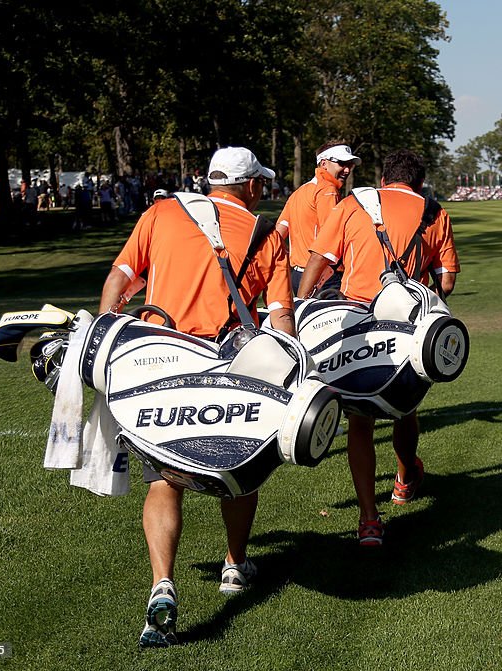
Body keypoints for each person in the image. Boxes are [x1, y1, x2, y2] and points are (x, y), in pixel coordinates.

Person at [98, 146, 293, 648]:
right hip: (225, 362)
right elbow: (280, 316)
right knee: (239, 469)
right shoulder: (268, 234)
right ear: (250, 186)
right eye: (260, 184)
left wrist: (108, 335)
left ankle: (162, 582)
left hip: (155, 359)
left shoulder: (162, 212)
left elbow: (120, 278)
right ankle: (234, 563)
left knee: (165, 478)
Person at [296, 149, 459, 546]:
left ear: (385, 179)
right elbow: (448, 281)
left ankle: (369, 519)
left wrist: (301, 305)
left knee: (360, 419)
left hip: (353, 320)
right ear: (419, 182)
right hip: (406, 324)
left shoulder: (353, 203)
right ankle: (404, 479)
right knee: (406, 407)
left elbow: (320, 260)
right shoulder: (434, 212)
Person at [277, 141, 360, 295]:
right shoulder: (327, 190)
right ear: (324, 164)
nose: (347, 170)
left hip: (297, 275)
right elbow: (331, 238)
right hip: (322, 276)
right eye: (342, 163)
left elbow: (277, 235)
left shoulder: (299, 192)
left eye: (350, 165)